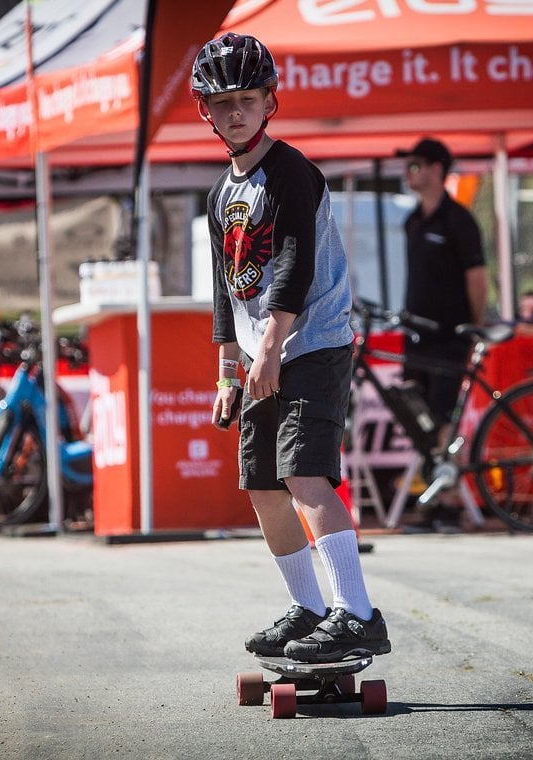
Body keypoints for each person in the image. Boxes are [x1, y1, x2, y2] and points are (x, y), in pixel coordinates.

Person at [196, 33, 391, 663]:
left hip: (312, 344)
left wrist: (274, 347)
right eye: (222, 102)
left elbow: (294, 265)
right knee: (263, 486)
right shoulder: (221, 193)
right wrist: (229, 365)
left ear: (270, 103)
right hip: (259, 357)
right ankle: (308, 609)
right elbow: (227, 285)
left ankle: (357, 615)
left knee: (305, 474)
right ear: (205, 110)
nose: (235, 113)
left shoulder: (292, 171)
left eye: (247, 100)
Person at [395, 137, 488, 529]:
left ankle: (447, 503)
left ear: (436, 170)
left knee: (444, 420)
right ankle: (434, 494)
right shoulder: (414, 219)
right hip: (416, 335)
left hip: (450, 336)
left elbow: (477, 278)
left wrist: (475, 328)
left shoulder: (459, 220)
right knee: (421, 419)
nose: (408, 173)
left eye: (416, 165)